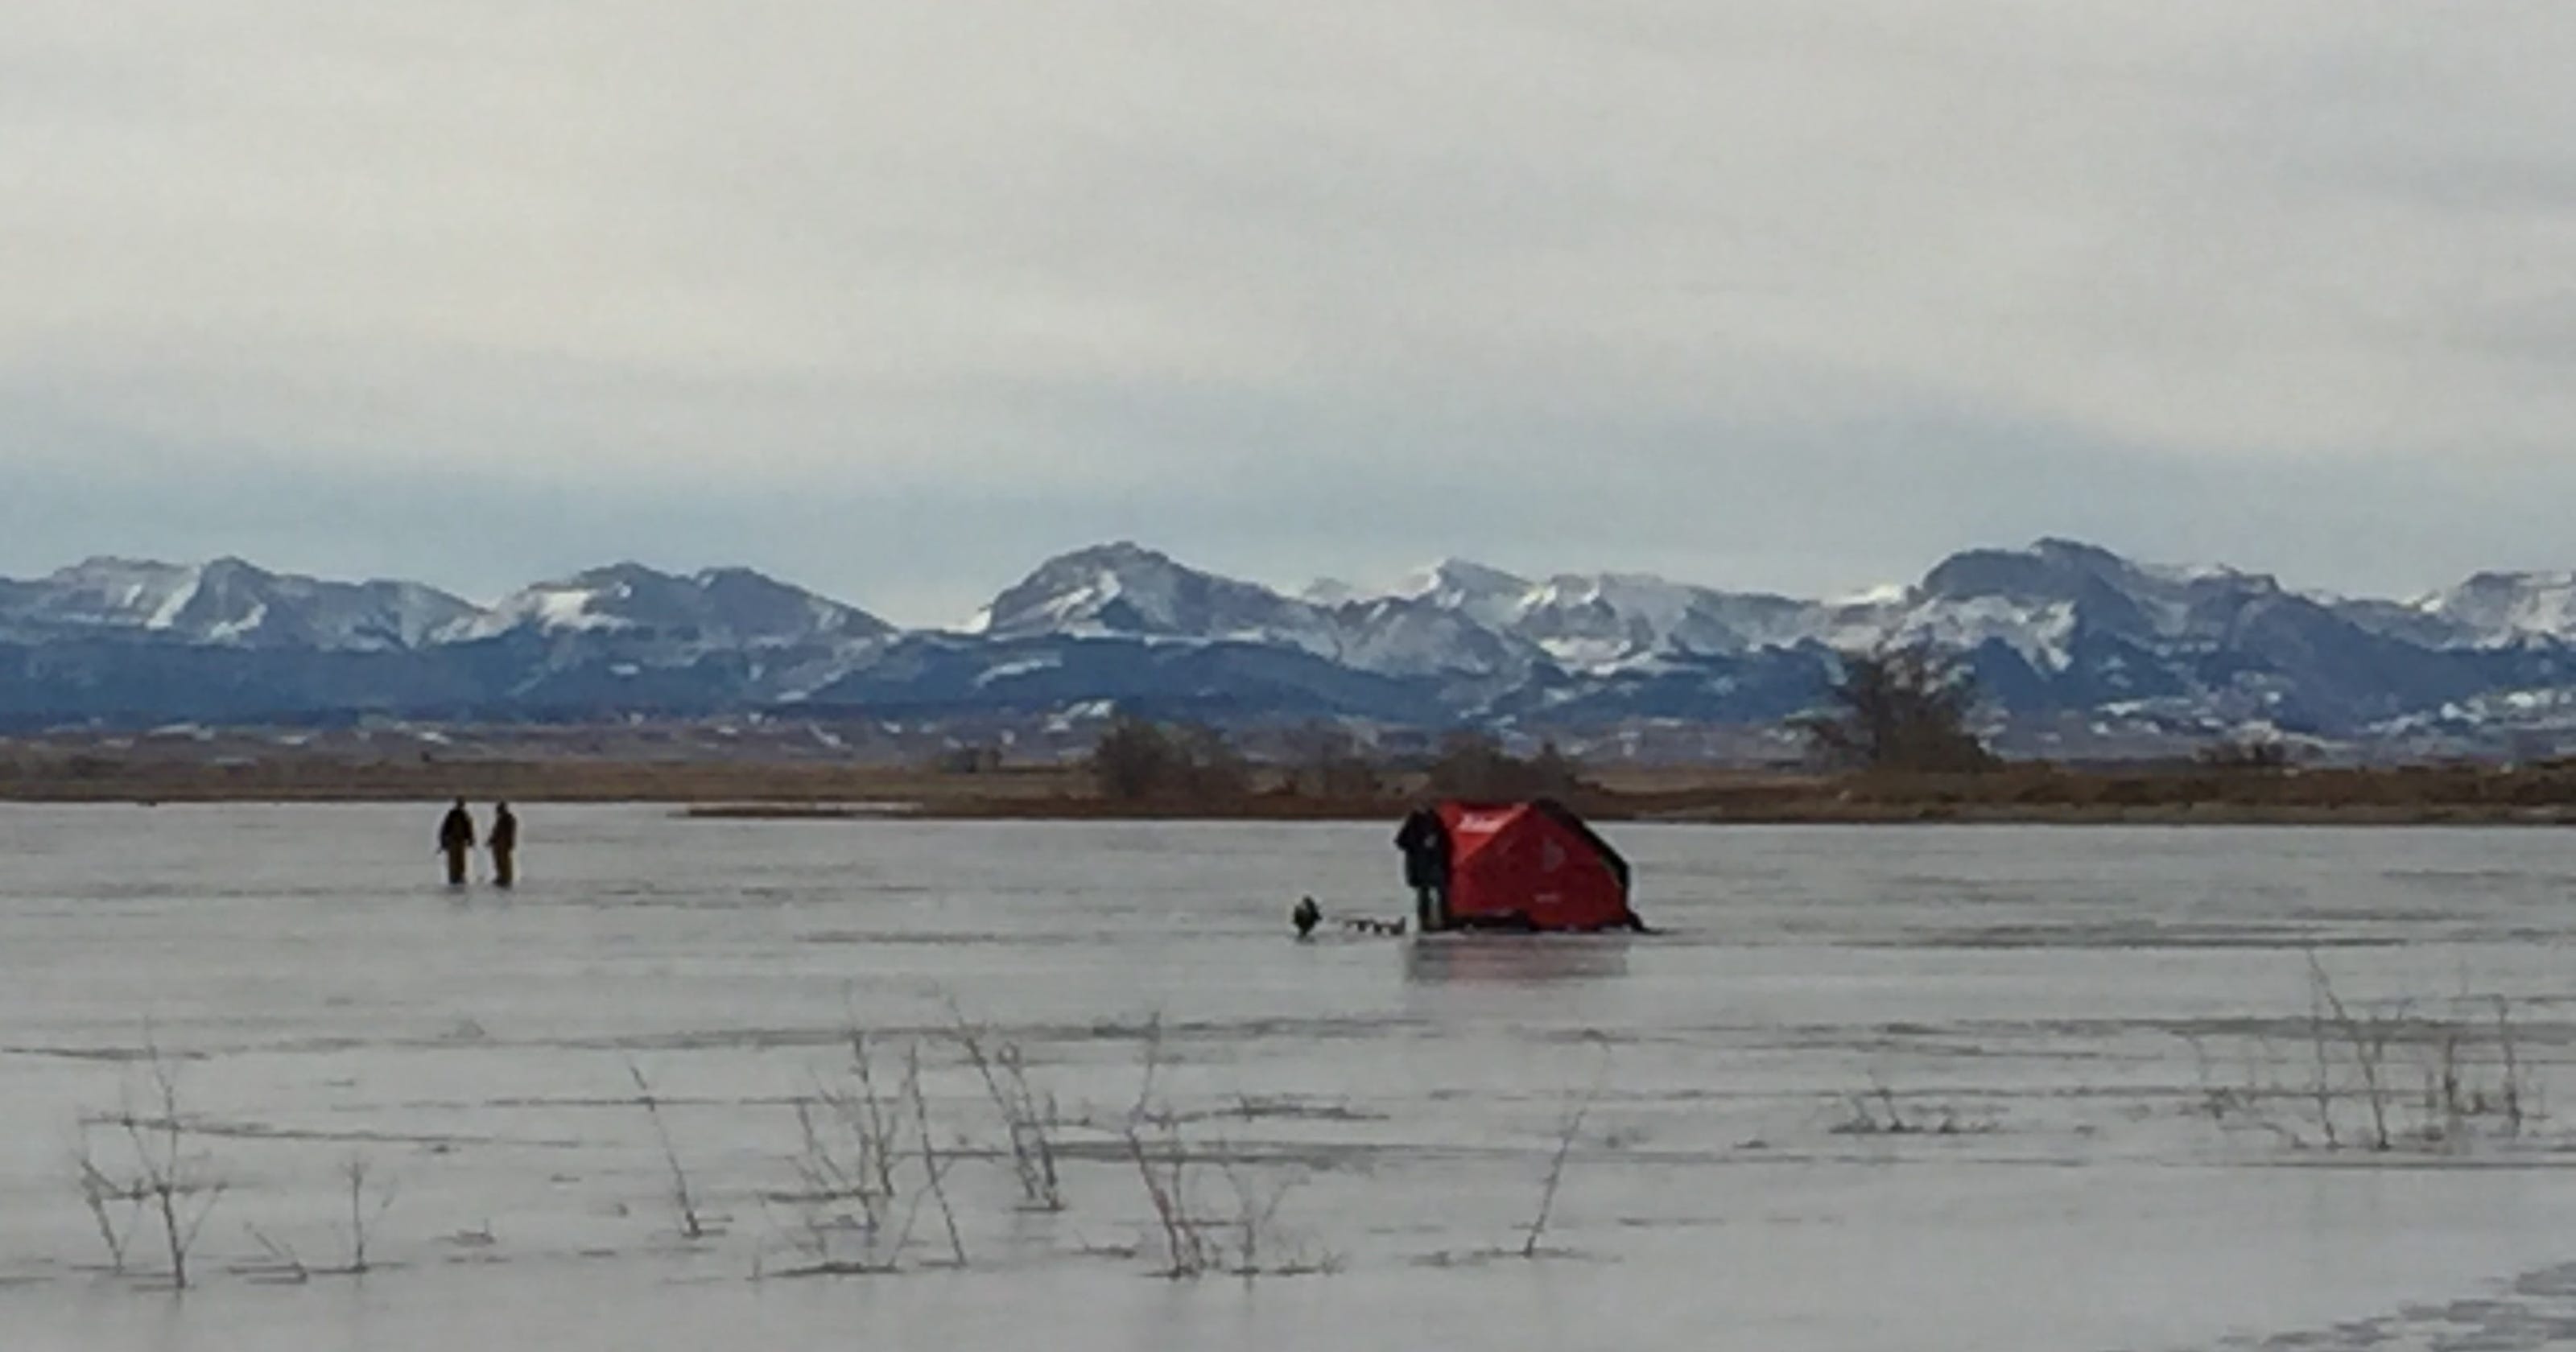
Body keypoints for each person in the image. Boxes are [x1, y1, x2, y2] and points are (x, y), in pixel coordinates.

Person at [1395, 806, 1450, 934]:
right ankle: (1426, 921)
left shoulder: (1436, 822)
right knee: (1426, 893)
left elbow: (1445, 844)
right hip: (1422, 865)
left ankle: (1443, 919)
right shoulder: (1414, 824)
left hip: (1433, 864)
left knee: (1440, 892)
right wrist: (1420, 845)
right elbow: (1401, 842)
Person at [437, 798, 476, 886]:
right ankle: (453, 878)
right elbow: (444, 829)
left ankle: (460, 877)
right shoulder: (452, 815)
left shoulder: (465, 816)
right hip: (453, 842)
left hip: (461, 842)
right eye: (460, 803)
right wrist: (443, 842)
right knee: (453, 862)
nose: (461, 805)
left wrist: (471, 840)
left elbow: (469, 829)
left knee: (461, 861)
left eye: (461, 803)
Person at [489, 802, 519, 888]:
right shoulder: (501, 819)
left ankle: (506, 877)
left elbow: (511, 832)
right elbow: (496, 832)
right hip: (498, 844)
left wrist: (510, 842)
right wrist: (491, 840)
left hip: (504, 844)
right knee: (498, 861)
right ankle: (501, 876)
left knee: (504, 861)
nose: (497, 812)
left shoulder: (508, 819)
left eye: (498, 810)